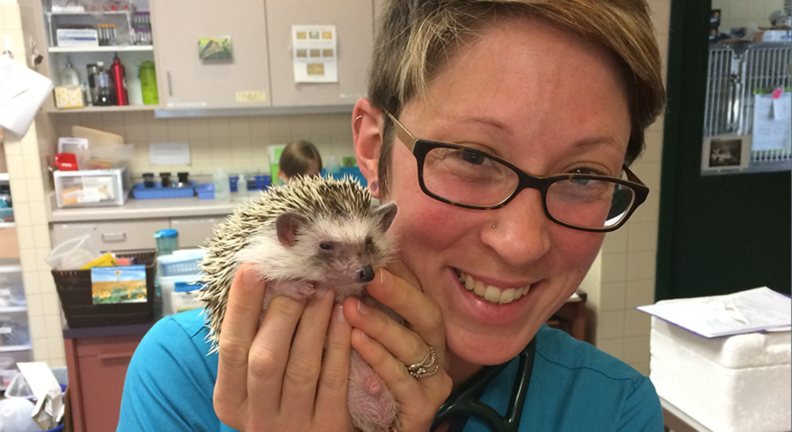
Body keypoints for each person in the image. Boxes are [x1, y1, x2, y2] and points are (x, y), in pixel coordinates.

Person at [117, 0, 666, 431]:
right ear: (374, 147)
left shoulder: (615, 409)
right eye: (473, 156)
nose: (521, 242)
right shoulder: (182, 375)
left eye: (582, 176)